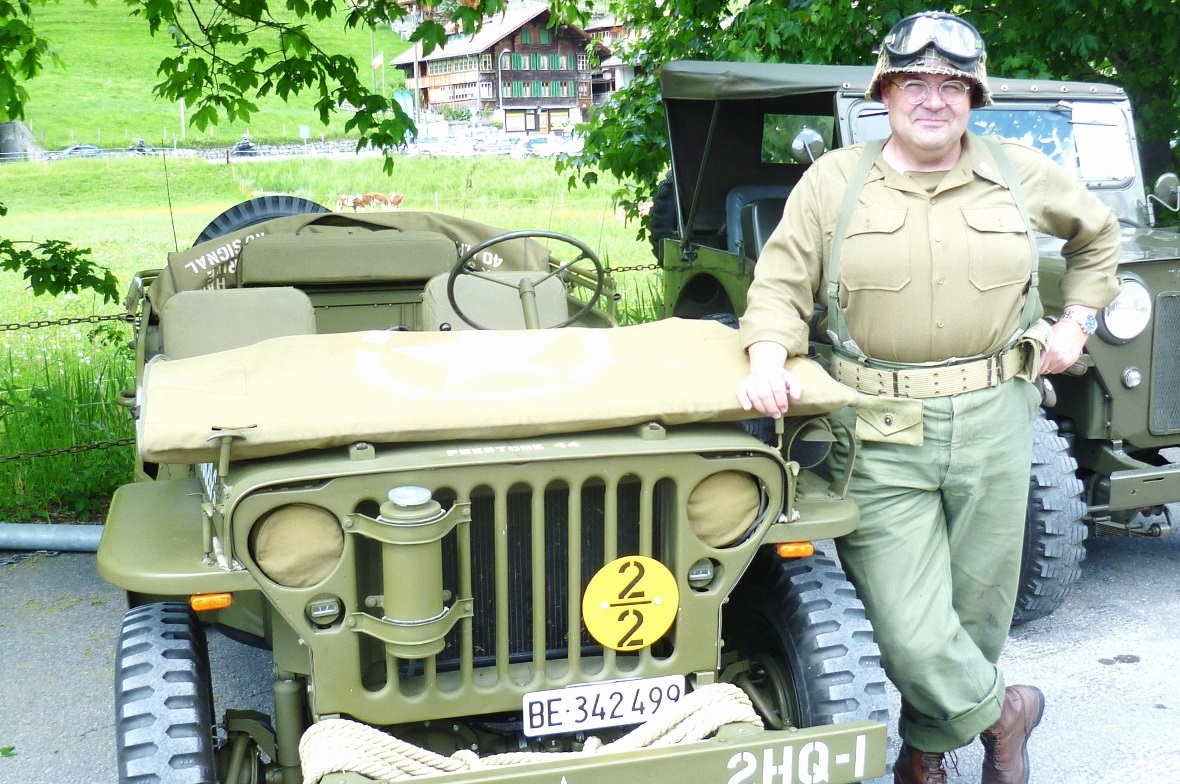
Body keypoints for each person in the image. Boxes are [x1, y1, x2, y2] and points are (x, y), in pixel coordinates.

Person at [736, 11, 1119, 784]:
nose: (934, 99)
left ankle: (926, 751)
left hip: (996, 420)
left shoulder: (1016, 171)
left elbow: (1098, 235)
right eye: (917, 82)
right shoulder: (834, 183)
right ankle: (1007, 713)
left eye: (952, 85)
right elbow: (780, 282)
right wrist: (769, 354)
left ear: (974, 98)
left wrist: (1077, 321)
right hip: (877, 430)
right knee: (908, 627)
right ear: (887, 92)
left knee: (976, 614)